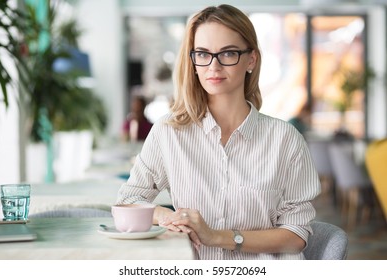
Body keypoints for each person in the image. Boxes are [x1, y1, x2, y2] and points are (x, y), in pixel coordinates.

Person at [117, 4, 321, 260]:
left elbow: (296, 235)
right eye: (202, 54)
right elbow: (129, 199)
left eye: (228, 53)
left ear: (251, 59)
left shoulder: (285, 140)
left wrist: (217, 236)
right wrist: (168, 216)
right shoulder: (168, 133)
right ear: (192, 61)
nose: (213, 66)